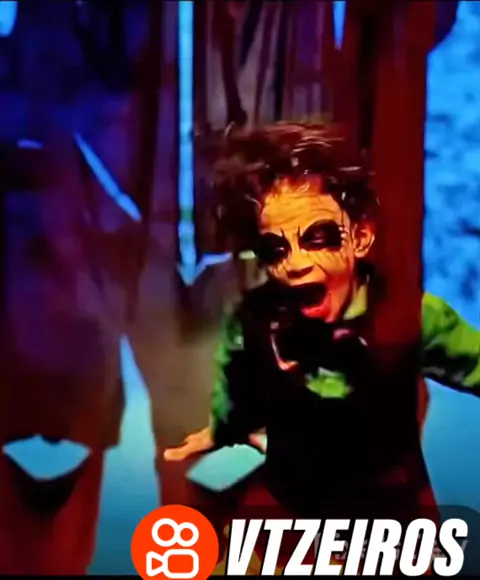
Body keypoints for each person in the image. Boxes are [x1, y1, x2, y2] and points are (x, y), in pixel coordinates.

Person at [164, 122, 480, 528]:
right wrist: (223, 429)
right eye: (275, 249)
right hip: (291, 498)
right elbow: (235, 381)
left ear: (359, 237)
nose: (295, 264)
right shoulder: (257, 318)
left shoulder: (410, 315)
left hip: (387, 511)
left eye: (317, 238)